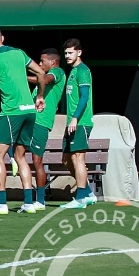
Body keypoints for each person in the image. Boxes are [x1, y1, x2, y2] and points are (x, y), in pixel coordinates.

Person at [0, 27, 47, 215]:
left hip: (12, 112)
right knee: (21, 156)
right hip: (29, 111)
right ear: (3, 38)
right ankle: (29, 203)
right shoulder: (19, 53)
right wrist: (40, 96)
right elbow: (41, 74)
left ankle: (1, 204)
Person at [24, 48, 65, 213]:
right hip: (30, 120)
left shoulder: (58, 72)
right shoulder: (40, 85)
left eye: (42, 61)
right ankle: (12, 157)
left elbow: (45, 79)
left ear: (52, 62)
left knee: (37, 161)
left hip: (41, 122)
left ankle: (40, 200)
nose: (40, 64)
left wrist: (21, 77)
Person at [60, 38, 97, 209]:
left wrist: (75, 118)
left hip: (80, 122)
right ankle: (88, 193)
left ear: (79, 52)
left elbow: (84, 97)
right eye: (66, 53)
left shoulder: (83, 71)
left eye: (70, 52)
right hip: (72, 123)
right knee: (67, 159)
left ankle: (81, 198)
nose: (67, 56)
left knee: (78, 157)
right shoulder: (73, 71)